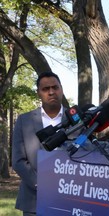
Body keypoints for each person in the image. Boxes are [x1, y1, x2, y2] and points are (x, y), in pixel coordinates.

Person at [12, 71, 65, 216]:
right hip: (34, 202)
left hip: (69, 200)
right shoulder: (24, 121)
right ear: (38, 93)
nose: (51, 92)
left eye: (55, 87)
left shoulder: (77, 120)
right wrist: (41, 184)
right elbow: (18, 161)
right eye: (45, 89)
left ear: (61, 89)